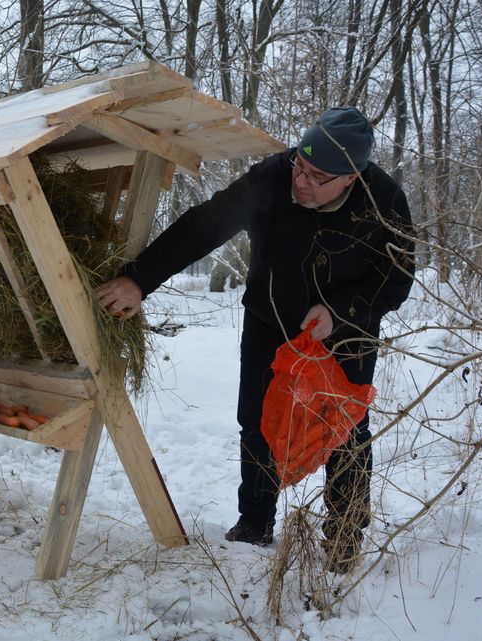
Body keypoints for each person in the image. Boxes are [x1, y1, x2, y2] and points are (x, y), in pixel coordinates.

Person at [95, 107, 415, 573]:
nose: (301, 182)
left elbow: (397, 278)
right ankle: (255, 522)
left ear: (351, 177)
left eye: (317, 177)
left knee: (345, 429)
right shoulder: (273, 177)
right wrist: (140, 280)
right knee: (258, 421)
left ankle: (345, 534)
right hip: (271, 319)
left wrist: (340, 312)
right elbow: (206, 225)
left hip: (346, 330)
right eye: (300, 166)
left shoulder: (384, 201)